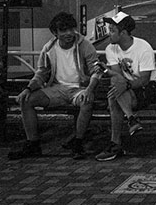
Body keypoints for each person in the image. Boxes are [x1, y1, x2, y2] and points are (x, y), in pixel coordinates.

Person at [8, 11, 102, 160]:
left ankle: (78, 143)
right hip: (56, 89)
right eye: (63, 30)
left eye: (71, 29)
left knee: (86, 101)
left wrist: (89, 89)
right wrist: (28, 88)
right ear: (55, 33)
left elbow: (96, 70)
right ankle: (33, 144)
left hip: (79, 89)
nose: (69, 33)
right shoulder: (49, 48)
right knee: (26, 100)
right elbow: (41, 73)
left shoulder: (85, 45)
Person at [94, 12, 156, 162]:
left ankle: (116, 143)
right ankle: (131, 120)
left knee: (114, 95)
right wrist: (107, 71)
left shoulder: (143, 47)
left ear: (123, 33)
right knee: (115, 91)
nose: (108, 33)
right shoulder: (111, 49)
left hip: (149, 87)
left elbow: (144, 80)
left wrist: (125, 84)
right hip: (126, 89)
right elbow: (118, 77)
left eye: (112, 30)